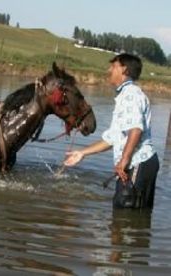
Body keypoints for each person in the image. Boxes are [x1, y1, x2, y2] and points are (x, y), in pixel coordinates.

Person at [64, 53, 159, 209]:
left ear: (124, 70)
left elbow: (136, 130)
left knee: (125, 210)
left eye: (114, 66)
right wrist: (82, 153)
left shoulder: (130, 95)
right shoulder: (125, 95)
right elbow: (112, 139)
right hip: (137, 162)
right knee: (131, 214)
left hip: (137, 162)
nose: (109, 70)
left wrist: (124, 160)